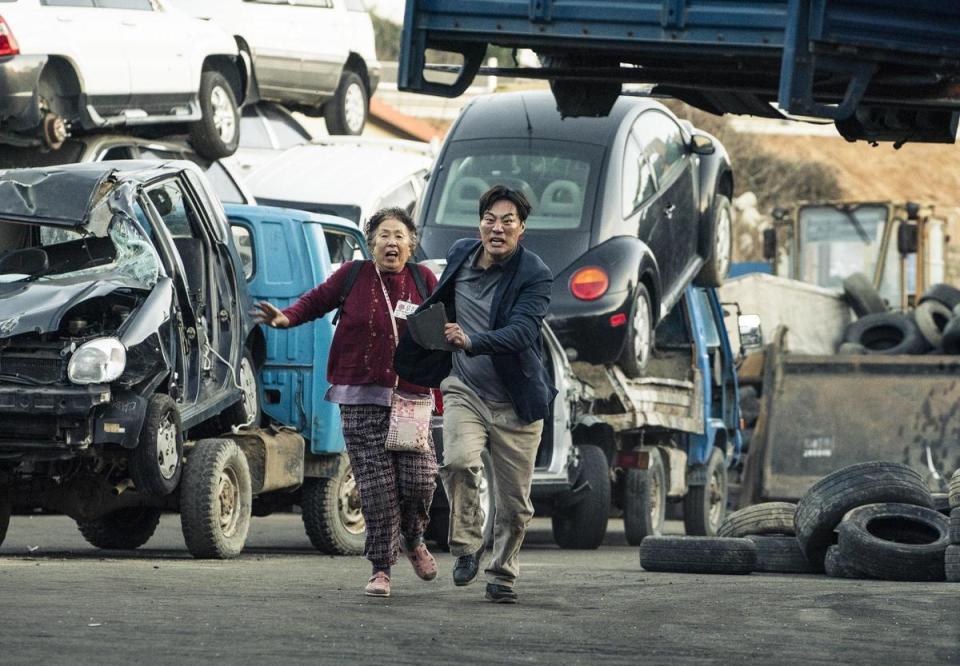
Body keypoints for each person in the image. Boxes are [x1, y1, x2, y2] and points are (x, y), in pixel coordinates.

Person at [252, 207, 439, 599]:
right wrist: (286, 318)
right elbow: (316, 301)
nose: (391, 242)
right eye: (384, 235)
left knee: (420, 479)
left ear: (411, 244)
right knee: (376, 487)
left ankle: (414, 536)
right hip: (359, 395)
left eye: (399, 236)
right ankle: (381, 568)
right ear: (371, 243)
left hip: (411, 397)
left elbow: (444, 325)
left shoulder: (424, 281)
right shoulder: (352, 276)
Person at [395, 185, 556, 604]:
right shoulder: (461, 253)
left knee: (516, 506)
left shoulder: (534, 274)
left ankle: (502, 573)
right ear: (479, 223)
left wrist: (473, 340)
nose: (497, 228)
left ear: (522, 229)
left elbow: (523, 331)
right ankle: (467, 545)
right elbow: (439, 297)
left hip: (516, 402)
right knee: (459, 461)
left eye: (507, 221)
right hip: (465, 387)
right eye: (490, 219)